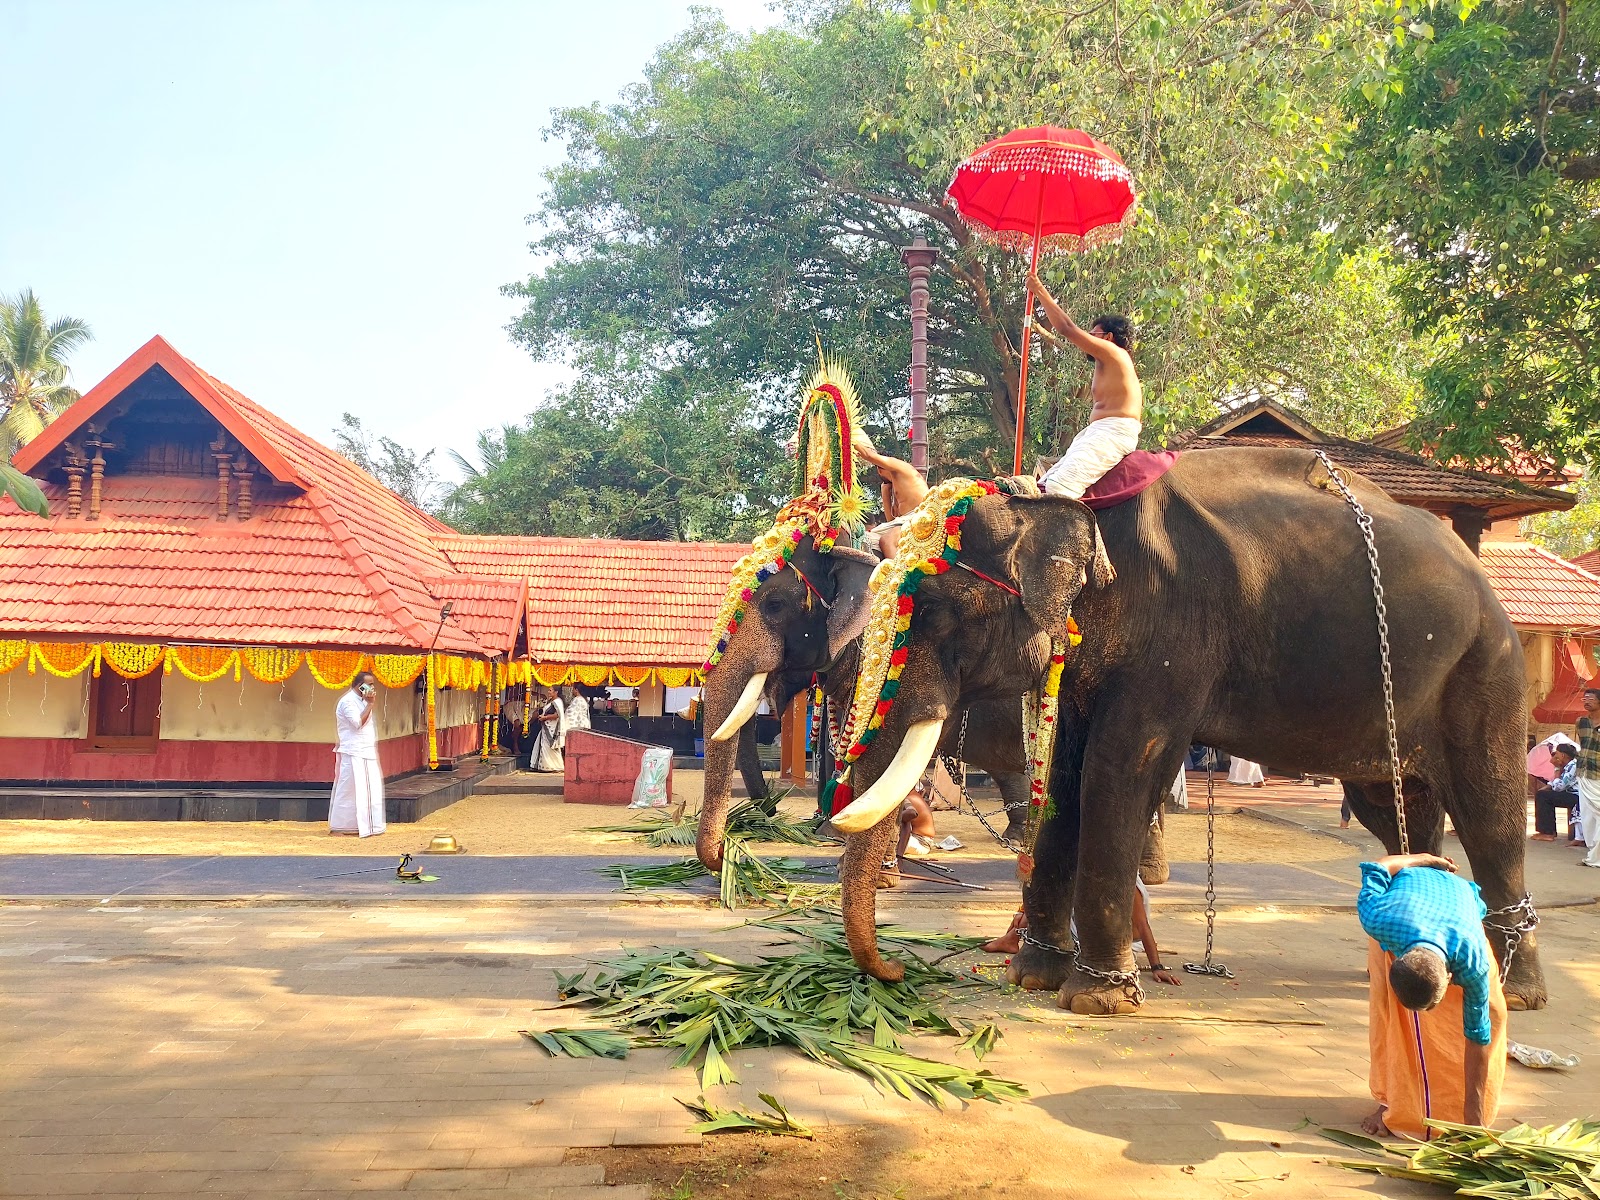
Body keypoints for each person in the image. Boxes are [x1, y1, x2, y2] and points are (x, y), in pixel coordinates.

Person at [1355, 852, 1506, 1138]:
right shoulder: (1377, 917)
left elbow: (1478, 1035)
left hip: (1460, 900)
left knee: (1493, 1014)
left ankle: (1470, 1111)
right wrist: (1419, 859)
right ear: (1395, 960)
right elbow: (1380, 867)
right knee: (1394, 1022)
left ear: (1451, 977)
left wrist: (1472, 1126)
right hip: (1406, 897)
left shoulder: (1472, 960)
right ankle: (1389, 1101)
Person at [1026, 273, 1143, 500]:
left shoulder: (1114, 353)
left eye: (1093, 334)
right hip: (1097, 433)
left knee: (1060, 489)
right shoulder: (1108, 361)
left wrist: (1039, 289)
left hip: (1113, 433)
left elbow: (1067, 328)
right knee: (1042, 485)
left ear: (1108, 337)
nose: (1088, 338)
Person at [982, 880, 1182, 986]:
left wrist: (1157, 967)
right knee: (1048, 891)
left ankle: (1011, 938)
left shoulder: (1127, 884)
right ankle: (1011, 938)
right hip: (1088, 932)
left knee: (1050, 901)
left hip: (1114, 948)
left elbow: (1142, 925)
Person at [328, 670, 385, 837]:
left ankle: (365, 825)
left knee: (368, 789)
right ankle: (340, 826)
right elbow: (357, 724)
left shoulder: (361, 700)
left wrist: (367, 703)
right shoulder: (348, 702)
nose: (373, 687)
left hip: (365, 750)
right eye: (370, 684)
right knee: (349, 790)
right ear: (360, 686)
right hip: (355, 752)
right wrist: (370, 704)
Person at [1532, 746, 1579, 843]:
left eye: (1556, 754)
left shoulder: (1573, 766)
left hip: (1576, 797)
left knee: (1543, 796)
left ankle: (1547, 833)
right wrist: (1548, 786)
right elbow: (1559, 783)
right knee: (1543, 794)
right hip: (1571, 794)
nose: (1554, 757)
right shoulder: (1568, 766)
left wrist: (1557, 769)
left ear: (1562, 755)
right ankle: (1549, 831)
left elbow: (1560, 786)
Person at [1577, 689, 1600, 867]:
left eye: (1590, 698)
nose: (1586, 701)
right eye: (1584, 698)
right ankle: (1593, 852)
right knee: (1587, 817)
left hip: (1598, 774)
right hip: (1583, 773)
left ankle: (1596, 857)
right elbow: (1582, 744)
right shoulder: (1581, 722)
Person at [530, 687, 567, 773]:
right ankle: (545, 766)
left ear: (556, 692)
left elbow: (557, 715)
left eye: (550, 690)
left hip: (552, 729)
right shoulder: (551, 701)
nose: (548, 692)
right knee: (543, 746)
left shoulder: (557, 702)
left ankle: (556, 766)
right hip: (546, 727)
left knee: (551, 747)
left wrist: (545, 717)